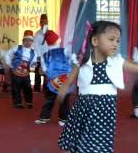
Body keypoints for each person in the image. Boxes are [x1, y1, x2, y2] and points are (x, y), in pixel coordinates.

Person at [58, 21, 138, 153]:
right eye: (111, 39)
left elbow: (135, 68)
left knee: (98, 143)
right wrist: (64, 88)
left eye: (118, 41)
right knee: (75, 139)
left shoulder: (117, 61)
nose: (115, 44)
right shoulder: (82, 62)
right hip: (83, 109)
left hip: (104, 112)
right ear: (95, 41)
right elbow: (69, 80)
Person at [34, 30, 73, 126]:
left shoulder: (44, 55)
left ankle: (44, 117)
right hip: (65, 80)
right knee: (64, 100)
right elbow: (73, 59)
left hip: (51, 81)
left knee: (49, 99)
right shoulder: (65, 50)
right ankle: (63, 119)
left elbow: (44, 69)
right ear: (58, 40)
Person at [5, 30, 37, 108]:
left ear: (32, 42)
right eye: (26, 40)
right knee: (16, 88)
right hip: (15, 72)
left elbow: (33, 63)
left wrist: (33, 65)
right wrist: (10, 64)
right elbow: (7, 54)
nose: (28, 42)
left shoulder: (33, 52)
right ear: (23, 41)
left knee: (28, 88)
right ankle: (17, 103)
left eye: (30, 41)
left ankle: (29, 102)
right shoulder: (17, 48)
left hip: (26, 73)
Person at [33, 14, 49, 92]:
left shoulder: (50, 33)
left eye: (46, 22)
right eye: (43, 22)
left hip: (48, 56)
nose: (45, 23)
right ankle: (37, 88)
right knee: (38, 73)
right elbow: (35, 46)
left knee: (47, 73)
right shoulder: (37, 34)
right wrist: (38, 56)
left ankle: (46, 88)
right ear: (40, 23)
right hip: (40, 56)